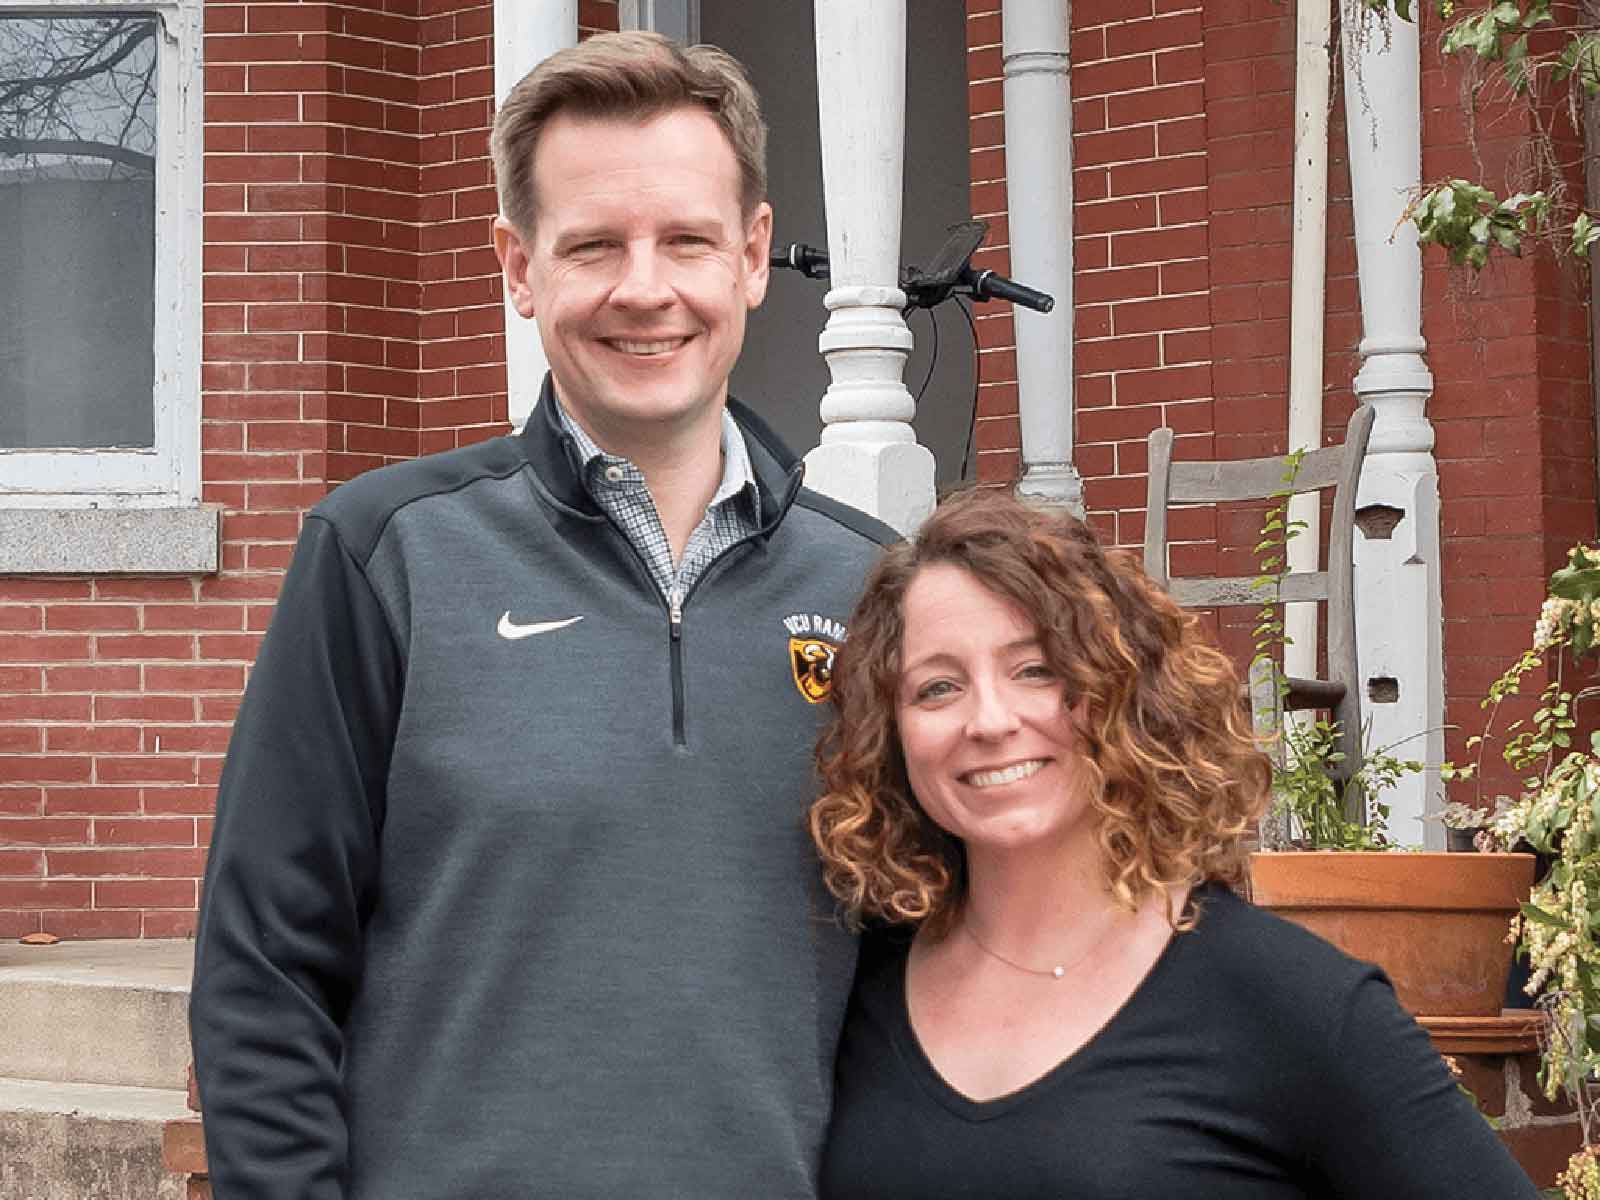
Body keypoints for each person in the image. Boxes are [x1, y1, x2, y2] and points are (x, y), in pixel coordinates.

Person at [190, 31, 894, 1200]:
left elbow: (927, 980)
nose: (644, 288)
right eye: (593, 246)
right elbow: (265, 969)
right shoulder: (384, 556)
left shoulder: (871, 593)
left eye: (686, 240)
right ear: (519, 267)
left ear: (754, 256)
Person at [810, 489, 1538, 1198]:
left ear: (1127, 689)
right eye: (937, 688)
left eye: (1036, 669)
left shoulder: (1290, 1004)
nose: (990, 719)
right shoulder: (854, 982)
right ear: (891, 733)